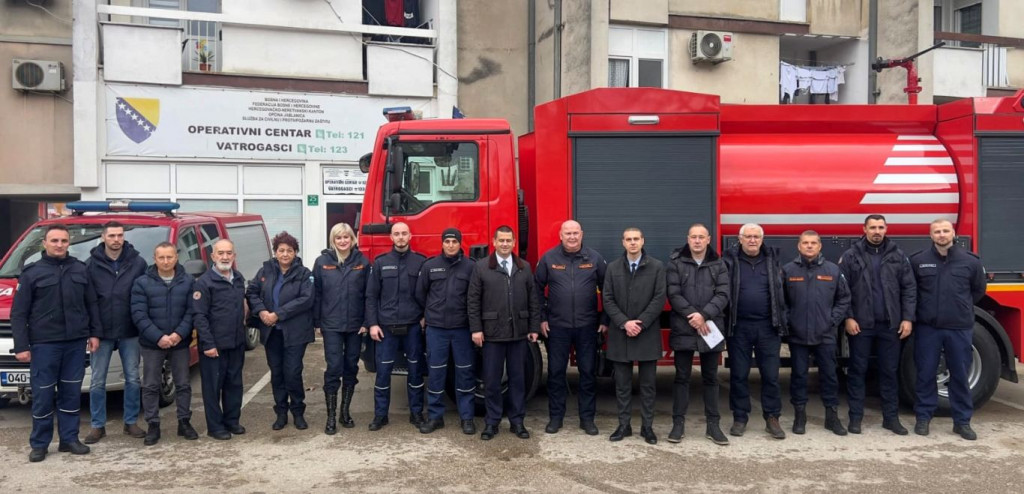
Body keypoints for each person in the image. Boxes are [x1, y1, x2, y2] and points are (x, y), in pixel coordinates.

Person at [11, 224, 101, 462]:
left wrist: (94, 334)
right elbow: (19, 313)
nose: (59, 245)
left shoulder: (80, 270)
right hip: (44, 344)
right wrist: (21, 346)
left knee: (71, 394)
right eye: (54, 241)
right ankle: (40, 444)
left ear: (68, 243)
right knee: (42, 395)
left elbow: (92, 304)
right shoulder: (32, 273)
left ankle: (69, 439)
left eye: (63, 241)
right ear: (45, 243)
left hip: (75, 343)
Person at [838, 214, 916, 435]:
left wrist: (907, 318)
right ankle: (855, 419)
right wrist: (849, 317)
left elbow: (909, 289)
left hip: (890, 326)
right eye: (872, 227)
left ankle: (891, 419)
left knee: (889, 372)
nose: (877, 231)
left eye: (880, 227)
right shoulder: (851, 256)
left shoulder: (898, 256)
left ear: (886, 228)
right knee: (857, 371)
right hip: (861, 326)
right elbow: (843, 290)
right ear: (864, 229)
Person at [911, 219, 986, 440]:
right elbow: (911, 291)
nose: (941, 235)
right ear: (931, 235)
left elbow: (978, 290)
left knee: (960, 375)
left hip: (959, 328)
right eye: (937, 232)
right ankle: (923, 418)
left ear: (953, 233)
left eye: (945, 231)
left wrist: (959, 308)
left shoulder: (970, 262)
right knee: (925, 374)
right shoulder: (918, 261)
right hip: (928, 328)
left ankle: (962, 422)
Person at [468, 225, 541, 440]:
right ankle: (492, 423)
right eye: (501, 240)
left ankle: (517, 422)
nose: (505, 244)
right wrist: (476, 329)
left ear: (514, 243)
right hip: (492, 335)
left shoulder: (524, 267)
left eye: (509, 240)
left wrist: (534, 327)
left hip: (519, 334)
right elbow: (473, 301)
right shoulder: (481, 267)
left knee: (518, 381)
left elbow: (533, 299)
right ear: (494, 242)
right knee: (491, 382)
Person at [534, 220, 607, 436]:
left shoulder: (594, 258)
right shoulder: (549, 258)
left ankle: (587, 419)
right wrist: (542, 317)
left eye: (575, 233)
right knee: (556, 373)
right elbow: (536, 289)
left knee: (587, 373)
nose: (572, 237)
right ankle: (556, 418)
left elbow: (608, 290)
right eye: (568, 233)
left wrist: (604, 319)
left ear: (582, 234)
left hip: (588, 327)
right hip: (557, 327)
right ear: (560, 235)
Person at [83, 221, 148, 444]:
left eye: (119, 235)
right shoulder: (90, 265)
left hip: (130, 330)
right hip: (101, 332)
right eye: (111, 235)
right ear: (103, 237)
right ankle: (97, 426)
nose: (116, 239)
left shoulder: (138, 263)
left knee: (132, 377)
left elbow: (144, 295)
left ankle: (130, 422)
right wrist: (92, 332)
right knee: (97, 381)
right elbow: (88, 301)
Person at [666, 223, 730, 445]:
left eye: (701, 237)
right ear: (688, 238)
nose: (697, 241)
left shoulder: (719, 264)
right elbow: (673, 294)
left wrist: (704, 315)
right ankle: (678, 424)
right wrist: (693, 315)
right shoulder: (675, 263)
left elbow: (723, 294)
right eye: (693, 237)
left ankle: (713, 426)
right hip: (685, 327)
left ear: (708, 239)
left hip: (709, 327)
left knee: (711, 378)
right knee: (681, 377)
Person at [782, 231, 851, 436]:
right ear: (799, 246)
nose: (809, 246)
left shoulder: (833, 270)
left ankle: (832, 417)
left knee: (829, 376)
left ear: (820, 246)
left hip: (825, 335)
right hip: (798, 335)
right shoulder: (788, 270)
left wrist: (832, 321)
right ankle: (799, 417)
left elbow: (844, 299)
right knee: (799, 376)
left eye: (813, 243)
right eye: (805, 243)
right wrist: (789, 321)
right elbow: (781, 302)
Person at [723, 223, 787, 440]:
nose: (752, 240)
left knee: (771, 375)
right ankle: (740, 417)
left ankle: (772, 417)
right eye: (748, 236)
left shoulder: (772, 260)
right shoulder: (729, 261)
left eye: (756, 236)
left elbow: (784, 290)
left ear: (762, 239)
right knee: (739, 374)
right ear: (739, 239)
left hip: (768, 327)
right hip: (738, 326)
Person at [602, 227, 666, 445]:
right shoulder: (612, 268)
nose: (632, 243)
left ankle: (647, 428)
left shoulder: (657, 267)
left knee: (648, 386)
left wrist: (641, 323)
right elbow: (607, 299)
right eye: (628, 239)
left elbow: (659, 298)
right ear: (623, 242)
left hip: (646, 333)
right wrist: (624, 323)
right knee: (622, 385)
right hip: (621, 333)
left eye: (636, 239)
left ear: (642, 241)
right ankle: (624, 426)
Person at [131, 241, 199, 445]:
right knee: (151, 385)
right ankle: (153, 424)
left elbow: (192, 311)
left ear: (176, 258)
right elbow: (138, 314)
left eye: (170, 257)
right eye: (161, 257)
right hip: (152, 344)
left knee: (183, 384)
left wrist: (179, 334)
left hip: (180, 342)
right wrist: (158, 337)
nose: (166, 261)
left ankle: (184, 422)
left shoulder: (188, 282)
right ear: (155, 259)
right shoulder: (141, 283)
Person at [246, 232, 315, 431]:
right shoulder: (265, 271)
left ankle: (298, 412)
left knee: (292, 372)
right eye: (281, 250)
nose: (285, 254)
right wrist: (262, 311)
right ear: (275, 252)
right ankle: (281, 413)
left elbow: (306, 299)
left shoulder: (304, 273)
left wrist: (278, 314)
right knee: (277, 373)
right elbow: (252, 292)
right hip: (272, 332)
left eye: (289, 250)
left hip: (295, 332)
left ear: (295, 253)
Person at [415, 228, 477, 435]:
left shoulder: (471, 267)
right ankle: (435, 417)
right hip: (436, 330)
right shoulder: (430, 266)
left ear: (460, 244)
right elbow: (420, 294)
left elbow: (475, 297)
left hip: (462, 329)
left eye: (454, 241)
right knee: (436, 374)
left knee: (465, 373)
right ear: (442, 243)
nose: (451, 245)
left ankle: (466, 417)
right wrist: (430, 315)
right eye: (447, 241)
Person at [365, 222, 426, 431]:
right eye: (397, 234)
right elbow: (371, 296)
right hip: (386, 328)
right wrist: (372, 324)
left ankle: (416, 413)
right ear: (391, 237)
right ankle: (380, 415)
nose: (400, 237)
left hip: (413, 327)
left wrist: (425, 316)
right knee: (383, 373)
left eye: (404, 234)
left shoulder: (420, 262)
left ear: (410, 236)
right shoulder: (381, 263)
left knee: (416, 372)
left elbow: (429, 293)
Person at [313, 222, 370, 434]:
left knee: (351, 367)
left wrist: (366, 321)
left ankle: (345, 412)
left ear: (352, 239)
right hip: (331, 325)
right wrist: (316, 322)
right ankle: (331, 417)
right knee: (333, 367)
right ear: (333, 240)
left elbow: (368, 295)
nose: (343, 241)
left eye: (346, 237)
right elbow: (316, 294)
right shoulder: (322, 262)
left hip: (356, 325)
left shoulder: (362, 262)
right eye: (338, 238)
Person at [192, 238, 248, 440]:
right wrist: (208, 344)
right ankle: (215, 427)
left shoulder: (238, 278)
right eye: (220, 253)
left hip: (236, 343)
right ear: (213, 256)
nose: (225, 257)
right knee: (213, 388)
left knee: (234, 384)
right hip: (214, 347)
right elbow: (199, 316)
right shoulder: (204, 283)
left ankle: (232, 421)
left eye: (229, 253)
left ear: (234, 256)